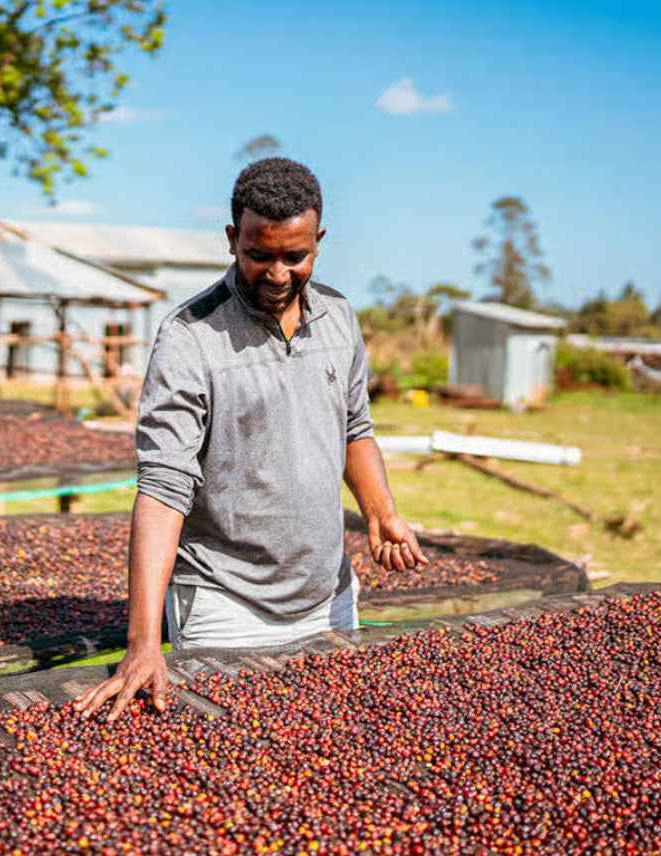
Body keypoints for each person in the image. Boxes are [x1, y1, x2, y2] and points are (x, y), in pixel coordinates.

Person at [74, 158, 427, 722]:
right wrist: (142, 643)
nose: (278, 274)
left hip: (329, 597)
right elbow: (164, 486)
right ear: (232, 240)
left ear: (319, 243)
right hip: (226, 605)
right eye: (259, 255)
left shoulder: (339, 318)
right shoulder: (190, 337)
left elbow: (354, 426)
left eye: (295, 256)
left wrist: (381, 512)